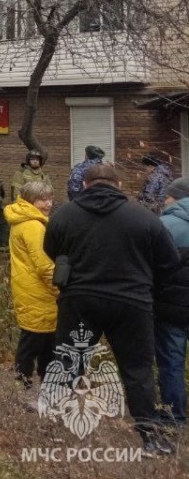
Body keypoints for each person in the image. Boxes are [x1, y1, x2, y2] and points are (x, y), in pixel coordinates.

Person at [43, 164, 182, 454]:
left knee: (69, 364)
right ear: (118, 184)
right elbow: (168, 262)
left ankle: (55, 434)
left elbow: (51, 250)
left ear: (84, 185)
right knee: (137, 371)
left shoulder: (64, 215)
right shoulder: (144, 217)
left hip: (80, 299)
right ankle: (150, 438)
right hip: (132, 303)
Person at [5, 180, 59, 403]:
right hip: (39, 292)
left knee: (40, 342)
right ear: (29, 201)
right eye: (41, 199)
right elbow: (45, 265)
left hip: (31, 289)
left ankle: (37, 388)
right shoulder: (33, 226)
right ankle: (25, 389)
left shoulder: (28, 220)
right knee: (34, 343)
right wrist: (60, 290)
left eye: (49, 198)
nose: (47, 204)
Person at [155, 177, 189, 425]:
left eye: (167, 196)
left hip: (170, 308)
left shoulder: (164, 225)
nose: (164, 200)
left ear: (175, 197)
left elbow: (149, 266)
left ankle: (173, 417)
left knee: (171, 362)